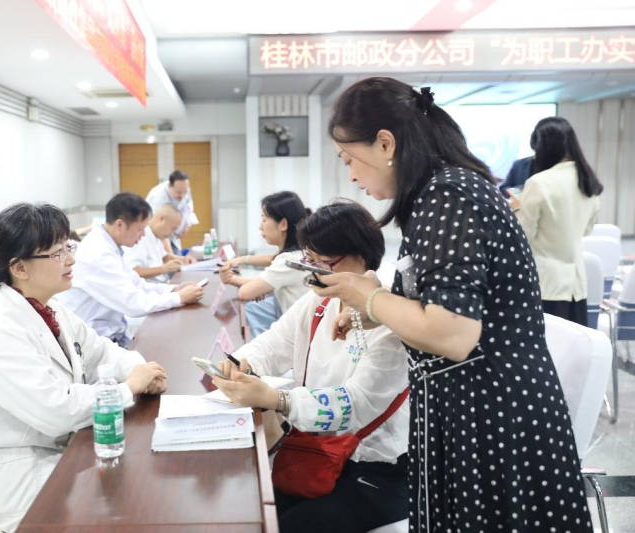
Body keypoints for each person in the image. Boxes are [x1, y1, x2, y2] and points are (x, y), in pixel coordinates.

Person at [311, 78, 592, 532]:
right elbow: (441, 305)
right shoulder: (440, 193)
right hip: (471, 405)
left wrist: (370, 296)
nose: (351, 176)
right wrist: (373, 307)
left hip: (490, 413)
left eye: (349, 159)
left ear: (385, 143)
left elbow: (453, 333)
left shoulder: (447, 196)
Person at [0, 203, 168, 532]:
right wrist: (127, 388)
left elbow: (101, 351)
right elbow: (56, 410)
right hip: (5, 482)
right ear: (20, 268)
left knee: (133, 481)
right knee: (124, 500)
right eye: (57, 253)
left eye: (68, 247)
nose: (71, 259)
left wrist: (142, 370)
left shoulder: (51, 309)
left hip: (47, 452)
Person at [212, 200, 409, 533]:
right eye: (309, 260)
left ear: (361, 255)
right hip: (318, 452)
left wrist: (278, 400)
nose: (314, 272)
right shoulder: (320, 300)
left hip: (376, 467)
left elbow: (354, 404)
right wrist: (244, 362)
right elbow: (272, 343)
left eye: (323, 262)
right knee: (249, 510)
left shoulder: (392, 316)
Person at [57, 193, 204, 348]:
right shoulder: (98, 253)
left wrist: (173, 289)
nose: (143, 234)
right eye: (140, 229)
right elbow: (133, 303)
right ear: (120, 225)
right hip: (93, 344)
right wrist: (179, 297)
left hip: (112, 335)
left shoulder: (110, 246)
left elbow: (135, 283)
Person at [509, 117, 603, 326]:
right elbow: (586, 230)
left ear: (544, 148)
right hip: (577, 284)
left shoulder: (539, 183)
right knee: (575, 341)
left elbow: (524, 236)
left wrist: (517, 207)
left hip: (546, 283)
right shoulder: (587, 180)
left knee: (548, 342)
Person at [219, 191, 310, 336]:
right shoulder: (301, 252)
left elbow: (245, 292)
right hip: (299, 320)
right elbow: (270, 264)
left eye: (264, 220)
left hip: (300, 331)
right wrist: (243, 267)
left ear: (283, 224)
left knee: (248, 311)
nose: (260, 226)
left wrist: (232, 279)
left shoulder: (289, 261)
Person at [123, 203, 194, 283]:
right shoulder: (140, 238)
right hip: (149, 287)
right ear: (162, 219)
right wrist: (163, 269)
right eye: (173, 229)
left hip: (162, 284)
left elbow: (164, 257)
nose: (172, 233)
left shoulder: (156, 236)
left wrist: (183, 259)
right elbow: (134, 271)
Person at [146, 169, 197, 254]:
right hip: (159, 238)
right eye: (179, 192)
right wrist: (171, 256)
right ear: (170, 186)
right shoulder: (157, 198)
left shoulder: (184, 188)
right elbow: (158, 229)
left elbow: (188, 208)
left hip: (172, 234)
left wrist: (186, 225)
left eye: (185, 191)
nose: (182, 195)